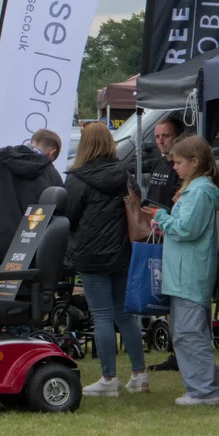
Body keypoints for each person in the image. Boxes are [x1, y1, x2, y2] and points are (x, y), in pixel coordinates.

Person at [66, 122, 149, 397]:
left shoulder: (77, 178)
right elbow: (139, 202)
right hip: (123, 253)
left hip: (91, 254)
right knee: (125, 316)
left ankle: (109, 378)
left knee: (101, 316)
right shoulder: (124, 174)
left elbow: (69, 216)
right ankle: (139, 374)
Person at [146, 136, 219, 406]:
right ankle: (199, 389)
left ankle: (205, 391)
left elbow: (187, 229)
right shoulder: (196, 189)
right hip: (184, 272)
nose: (175, 168)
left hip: (189, 273)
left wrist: (161, 217)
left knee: (191, 333)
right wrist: (167, 221)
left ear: (195, 162)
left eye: (179, 163)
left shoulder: (199, 191)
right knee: (182, 333)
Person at [0, 129, 63, 297]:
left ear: (31, 142)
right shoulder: (52, 176)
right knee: (18, 313)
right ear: (51, 153)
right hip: (25, 254)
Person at [137, 111, 188, 209]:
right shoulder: (158, 163)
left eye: (166, 136)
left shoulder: (184, 166)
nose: (160, 141)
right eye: (157, 137)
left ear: (178, 137)